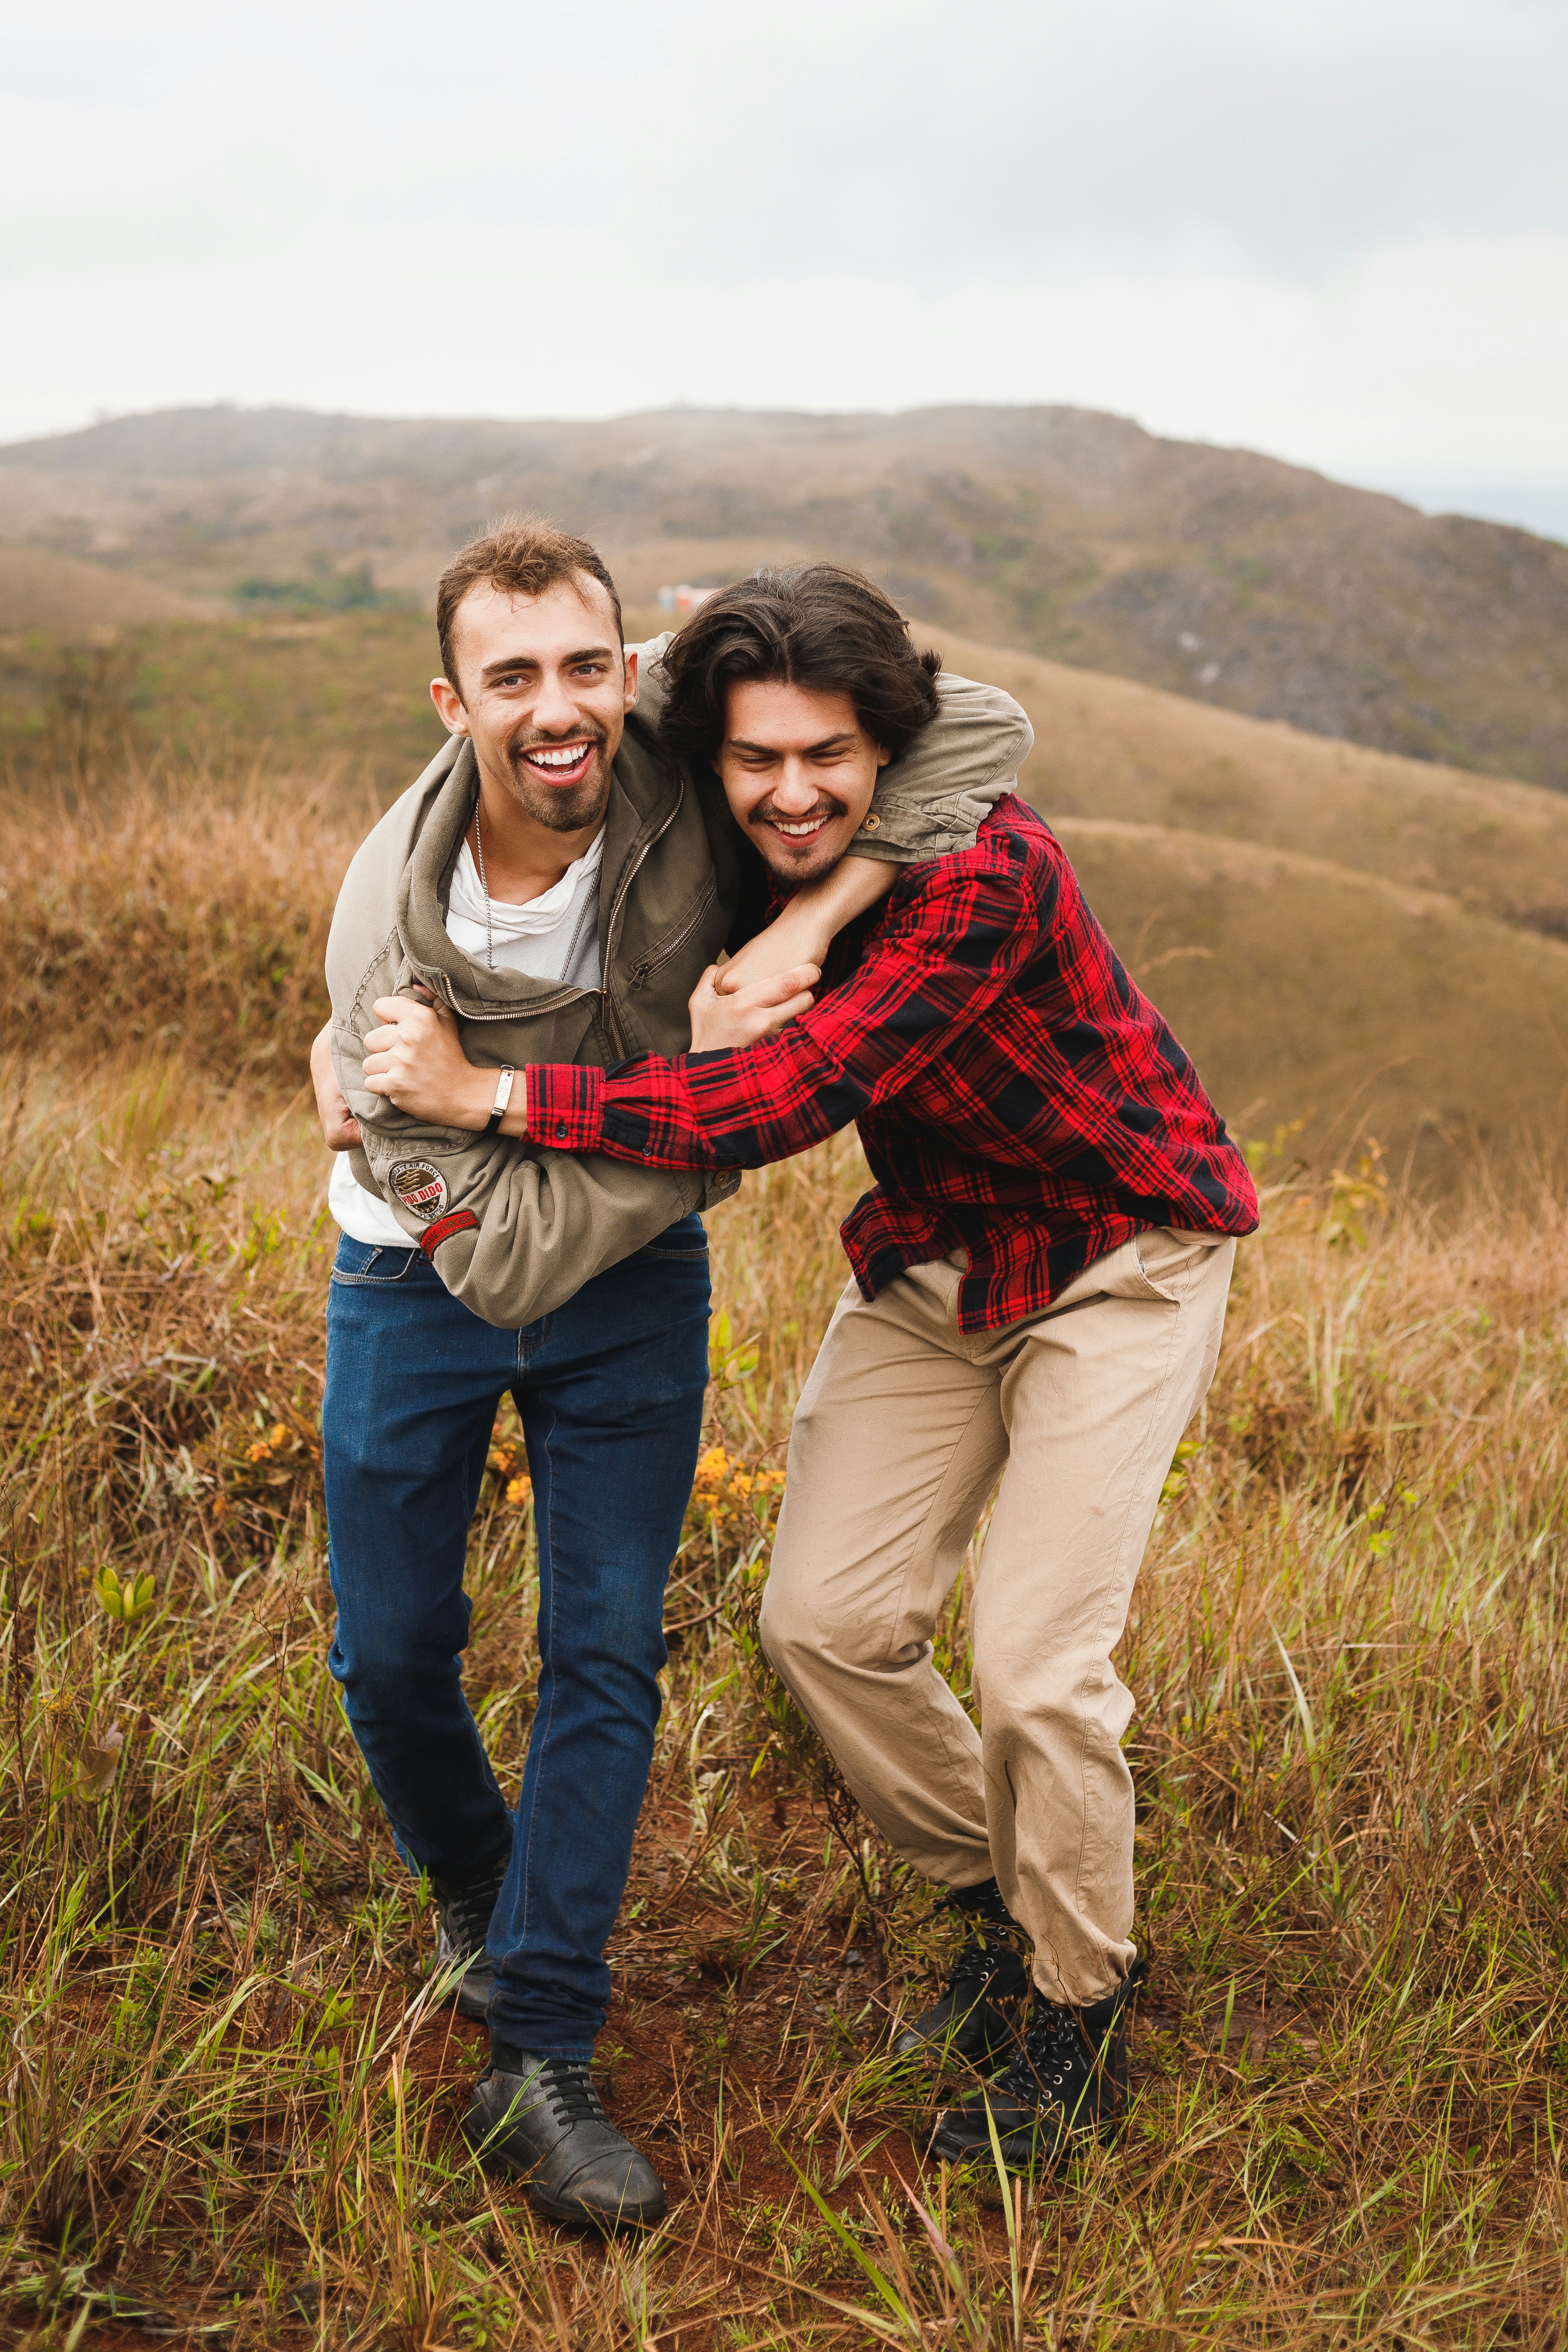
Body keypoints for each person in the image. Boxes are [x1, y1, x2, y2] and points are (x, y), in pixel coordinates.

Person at [369, 562, 1260, 2175]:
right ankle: (997, 1904)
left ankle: (1077, 2004)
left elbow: (768, 1107)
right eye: (757, 760)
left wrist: (484, 1096)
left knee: (1040, 1664)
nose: (793, 793)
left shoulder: (986, 871)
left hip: (1122, 1251)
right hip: (937, 1255)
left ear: (887, 753)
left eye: (831, 760)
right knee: (823, 1624)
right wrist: (800, 900)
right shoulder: (743, 829)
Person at [313, 520, 1032, 2228]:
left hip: (637, 1298)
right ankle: (486, 1891)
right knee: (394, 1652)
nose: (557, 710)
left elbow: (984, 724)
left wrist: (814, 925)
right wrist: (698, 1145)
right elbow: (484, 1243)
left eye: (586, 666)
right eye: (513, 678)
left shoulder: (692, 777)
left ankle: (540, 2047)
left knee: (605, 1649)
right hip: (414, 1275)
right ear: (453, 699)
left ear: (628, 668)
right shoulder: (388, 925)